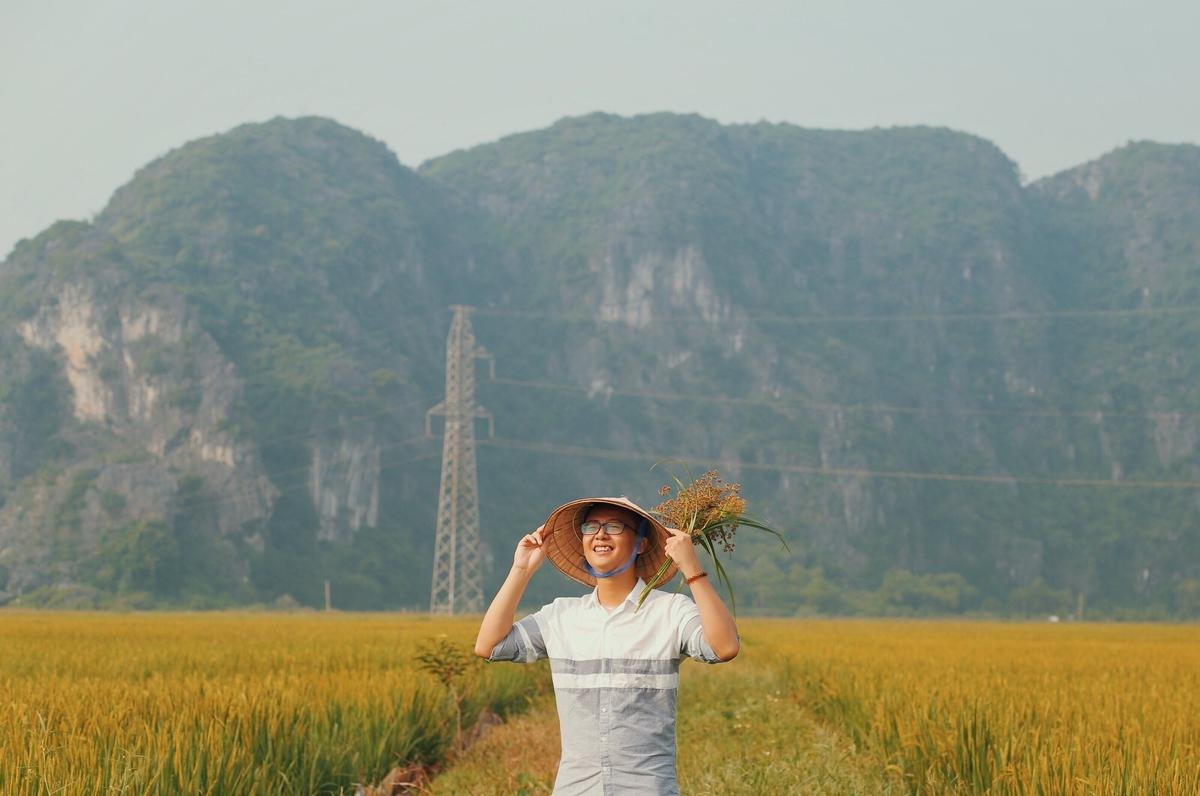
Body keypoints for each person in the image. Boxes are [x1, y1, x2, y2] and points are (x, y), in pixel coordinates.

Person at [474, 496, 740, 795]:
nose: (600, 534)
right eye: (591, 527)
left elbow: (724, 647)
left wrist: (692, 570)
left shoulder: (671, 612)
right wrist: (521, 570)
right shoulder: (561, 616)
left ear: (640, 543)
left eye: (614, 526)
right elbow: (490, 646)